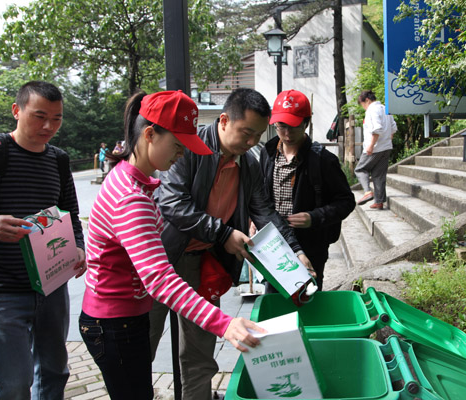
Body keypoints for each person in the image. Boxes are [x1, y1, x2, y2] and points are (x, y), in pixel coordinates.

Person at [79, 90, 263, 400]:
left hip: (125, 315)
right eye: (178, 146)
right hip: (114, 321)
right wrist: (224, 324)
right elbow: (159, 278)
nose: (181, 156)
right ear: (150, 134)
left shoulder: (137, 182)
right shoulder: (132, 198)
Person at [149, 88, 314, 400]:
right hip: (160, 262)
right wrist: (224, 234)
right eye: (246, 133)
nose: (252, 143)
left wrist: (295, 251)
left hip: (203, 263)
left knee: (200, 349)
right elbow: (172, 203)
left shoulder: (248, 164)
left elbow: (265, 213)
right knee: (145, 340)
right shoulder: (186, 149)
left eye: (257, 135)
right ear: (223, 120)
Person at [0, 81, 86, 399]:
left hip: (51, 287)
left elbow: (69, 211)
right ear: (17, 111)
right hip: (1, 292)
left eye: (56, 119)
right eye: (39, 116)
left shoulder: (58, 160)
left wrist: (79, 249)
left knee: (54, 372)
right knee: (15, 382)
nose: (48, 126)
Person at [259, 90, 355, 290]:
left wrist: (315, 217)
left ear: (306, 123)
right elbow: (259, 194)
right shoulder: (267, 153)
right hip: (274, 244)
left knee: (307, 299)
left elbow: (346, 201)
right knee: (274, 301)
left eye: (293, 127)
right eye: (281, 126)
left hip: (310, 245)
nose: (286, 134)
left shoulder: (322, 160)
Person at [354, 90, 398, 210]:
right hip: (386, 147)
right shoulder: (385, 108)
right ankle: (379, 202)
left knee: (360, 169)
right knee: (379, 174)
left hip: (375, 147)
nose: (363, 107)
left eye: (362, 104)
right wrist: (386, 141)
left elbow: (377, 129)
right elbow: (393, 128)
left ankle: (368, 192)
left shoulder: (371, 110)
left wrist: (371, 146)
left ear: (367, 100)